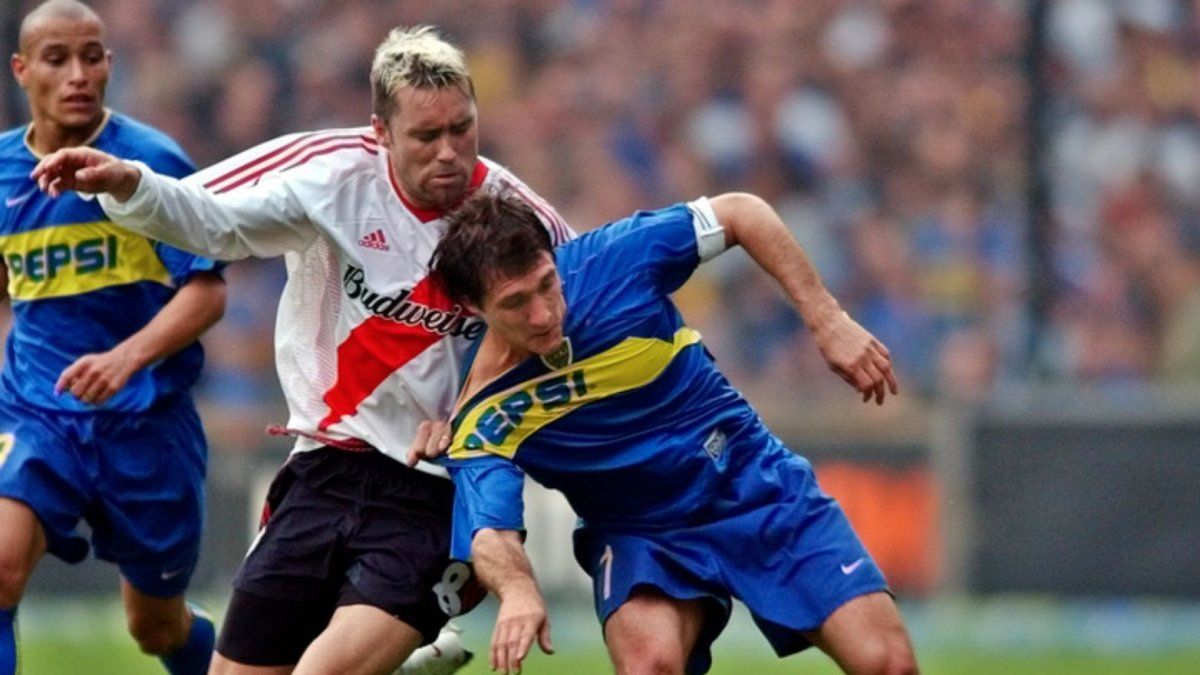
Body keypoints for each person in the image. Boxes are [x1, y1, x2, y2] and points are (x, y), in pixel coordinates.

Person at [32, 24, 572, 675]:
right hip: (322, 467)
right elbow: (210, 218)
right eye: (427, 136)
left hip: (435, 489)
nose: (449, 153)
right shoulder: (328, 173)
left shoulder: (519, 217)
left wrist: (477, 419)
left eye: (463, 129)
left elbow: (578, 332)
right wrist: (128, 185)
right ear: (381, 132)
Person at [421, 190, 919, 675]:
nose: (543, 313)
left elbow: (741, 213)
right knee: (649, 666)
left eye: (546, 284)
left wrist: (826, 318)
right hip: (638, 530)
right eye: (515, 303)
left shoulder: (615, 258)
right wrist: (518, 591)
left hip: (749, 480)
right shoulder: (482, 415)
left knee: (888, 664)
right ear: (473, 307)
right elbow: (490, 534)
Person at [0, 2, 225, 674]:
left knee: (155, 627)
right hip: (37, 411)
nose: (78, 74)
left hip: (145, 424)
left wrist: (127, 358)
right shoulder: (2, 173)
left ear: (110, 65)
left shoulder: (152, 161)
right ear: (22, 71)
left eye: (91, 57)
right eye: (57, 58)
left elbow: (208, 291)